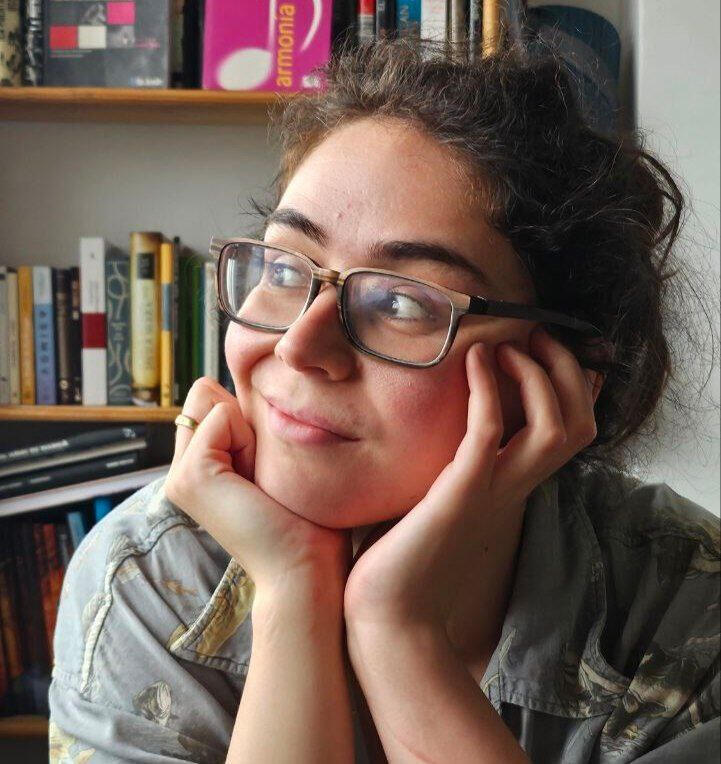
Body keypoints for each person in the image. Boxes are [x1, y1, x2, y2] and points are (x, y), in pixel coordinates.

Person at [48, 38, 719, 763]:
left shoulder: (683, 606)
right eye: (285, 268)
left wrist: (396, 628)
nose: (299, 347)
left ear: (562, 377)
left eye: (402, 302)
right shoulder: (152, 579)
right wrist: (292, 588)